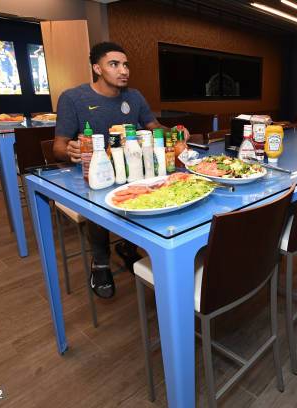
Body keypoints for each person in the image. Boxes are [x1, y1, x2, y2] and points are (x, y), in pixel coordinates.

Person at [53, 42, 190, 299]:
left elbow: (153, 125)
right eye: (114, 64)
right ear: (97, 68)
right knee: (99, 200)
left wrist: (176, 132)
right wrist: (69, 150)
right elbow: (58, 146)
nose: (123, 70)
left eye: (125, 64)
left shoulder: (134, 96)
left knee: (160, 187)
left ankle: (128, 247)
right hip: (93, 172)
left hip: (132, 167)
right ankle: (101, 262)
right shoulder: (73, 98)